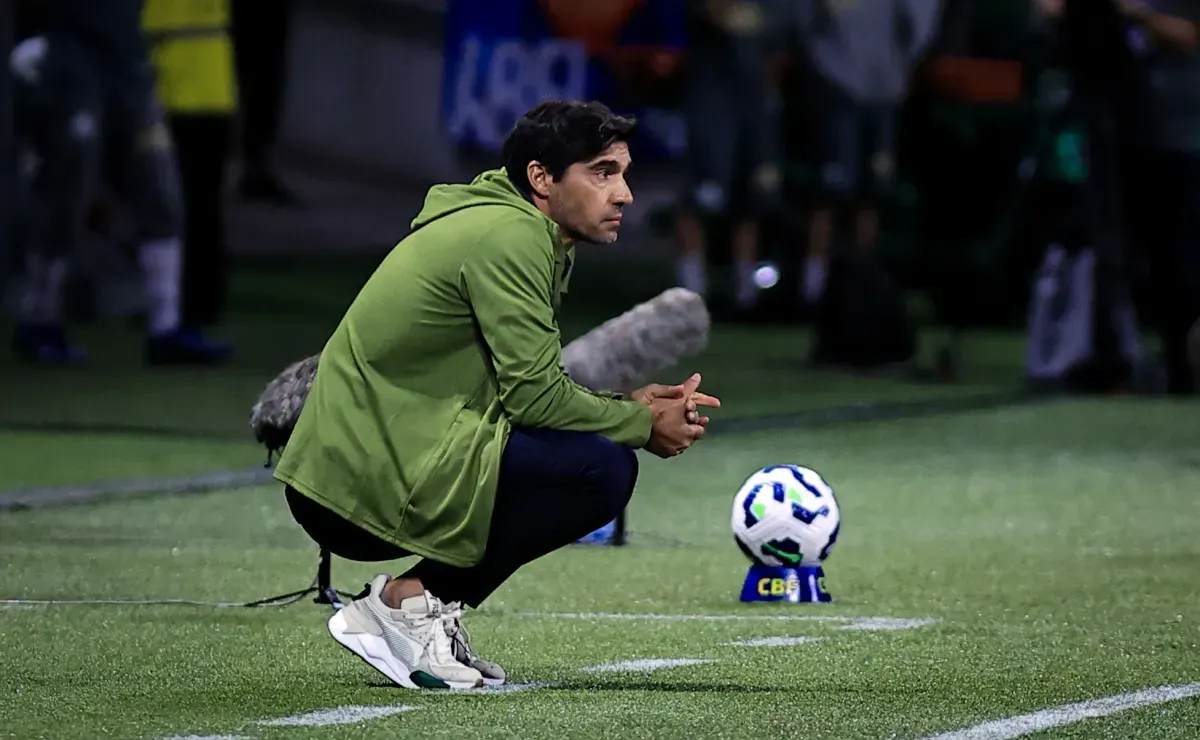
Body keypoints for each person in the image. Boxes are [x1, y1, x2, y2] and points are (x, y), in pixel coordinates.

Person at [273, 100, 720, 690]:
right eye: (603, 173)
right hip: (362, 482)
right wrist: (638, 423)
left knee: (590, 453)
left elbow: (524, 389)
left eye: (624, 173)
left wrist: (628, 407)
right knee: (600, 470)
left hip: (366, 466)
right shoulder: (512, 235)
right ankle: (409, 603)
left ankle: (419, 604)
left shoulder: (514, 225)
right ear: (541, 178)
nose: (625, 195)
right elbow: (535, 399)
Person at [10, 0, 233, 365]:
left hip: (129, 67)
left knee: (160, 194)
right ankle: (38, 318)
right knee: (65, 195)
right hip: (74, 67)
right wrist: (32, 38)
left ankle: (166, 327)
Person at [674, 0, 781, 315]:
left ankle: (745, 295)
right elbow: (711, 16)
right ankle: (690, 294)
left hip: (755, 107)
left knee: (751, 200)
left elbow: (777, 42)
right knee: (699, 199)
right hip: (711, 106)